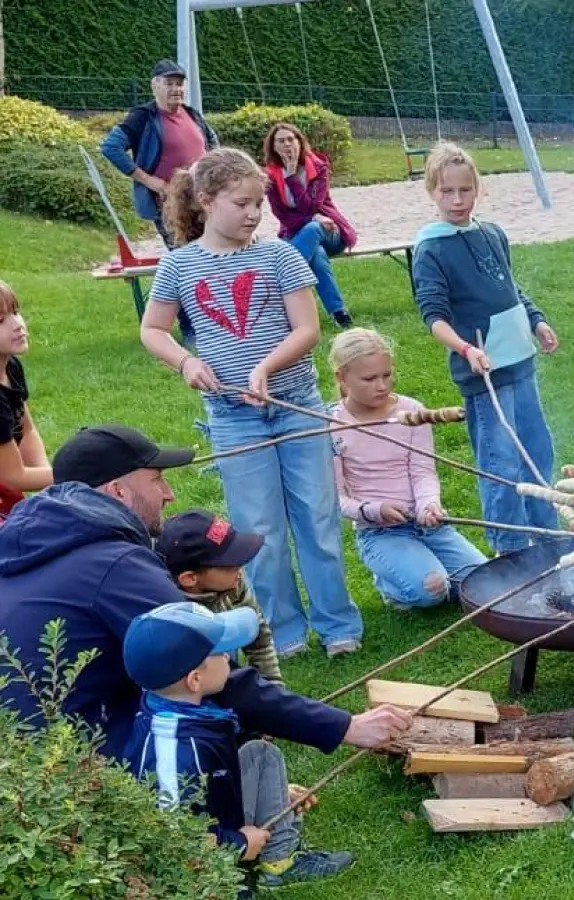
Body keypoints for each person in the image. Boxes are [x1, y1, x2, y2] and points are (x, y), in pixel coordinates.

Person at [0, 424, 413, 758]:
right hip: (76, 758)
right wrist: (346, 727)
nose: (169, 493)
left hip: (22, 757)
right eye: (157, 479)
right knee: (191, 698)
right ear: (117, 492)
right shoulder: (114, 564)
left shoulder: (33, 541)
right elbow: (210, 672)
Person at [138, 147, 362, 658]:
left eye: (258, 203)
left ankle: (337, 625)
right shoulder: (178, 266)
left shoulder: (279, 255)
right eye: (241, 203)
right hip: (234, 419)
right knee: (259, 530)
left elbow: (307, 329)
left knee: (318, 520)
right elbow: (153, 330)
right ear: (206, 200)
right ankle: (283, 632)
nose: (253, 214)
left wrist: (265, 368)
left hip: (294, 404)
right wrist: (186, 363)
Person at [123, 602, 355, 887]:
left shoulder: (178, 706)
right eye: (221, 653)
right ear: (195, 679)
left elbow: (212, 779)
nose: (229, 658)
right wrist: (239, 843)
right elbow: (172, 832)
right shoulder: (172, 750)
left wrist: (275, 796)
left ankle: (277, 853)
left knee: (260, 753)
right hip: (199, 872)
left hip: (212, 813)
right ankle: (275, 866)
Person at [412, 142, 561, 553]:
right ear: (432, 193)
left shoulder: (491, 232)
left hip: (521, 362)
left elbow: (510, 288)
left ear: (477, 188)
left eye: (465, 190)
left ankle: (548, 535)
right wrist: (465, 350)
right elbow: (433, 317)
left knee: (537, 450)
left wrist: (537, 320)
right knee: (501, 464)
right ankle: (509, 549)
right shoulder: (430, 248)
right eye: (447, 192)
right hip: (485, 373)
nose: (457, 200)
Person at [329, 328, 488, 607]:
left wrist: (429, 505)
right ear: (342, 377)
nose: (382, 385)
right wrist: (374, 510)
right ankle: (393, 585)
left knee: (484, 580)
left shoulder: (412, 412)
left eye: (386, 375)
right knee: (433, 589)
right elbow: (335, 497)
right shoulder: (330, 425)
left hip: (427, 526)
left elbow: (423, 471)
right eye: (369, 379)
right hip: (380, 532)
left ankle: (425, 566)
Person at [100, 59, 219, 347]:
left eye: (179, 83)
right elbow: (110, 147)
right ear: (155, 85)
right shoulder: (143, 117)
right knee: (188, 262)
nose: (176, 89)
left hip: (204, 202)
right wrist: (150, 180)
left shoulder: (192, 114)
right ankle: (191, 328)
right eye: (169, 83)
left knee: (215, 259)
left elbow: (214, 146)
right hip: (168, 207)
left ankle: (217, 323)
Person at [157, 509, 282, 683]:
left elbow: (259, 639)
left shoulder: (233, 582)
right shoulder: (170, 614)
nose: (240, 568)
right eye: (229, 566)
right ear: (190, 578)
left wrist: (274, 689)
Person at [261, 122, 357, 329]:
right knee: (317, 255)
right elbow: (283, 216)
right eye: (281, 141)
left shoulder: (318, 167)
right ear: (274, 147)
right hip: (296, 234)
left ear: (299, 142)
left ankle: (278, 290)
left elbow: (311, 206)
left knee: (314, 230)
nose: (287, 145)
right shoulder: (270, 176)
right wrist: (313, 218)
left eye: (291, 139)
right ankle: (339, 313)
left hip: (330, 231)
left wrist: (292, 176)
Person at [0, 280, 50, 521]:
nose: (18, 325)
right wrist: (74, 473)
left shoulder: (10, 366)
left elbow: (26, 430)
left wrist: (49, 483)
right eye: (1, 321)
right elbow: (11, 476)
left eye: (15, 312)